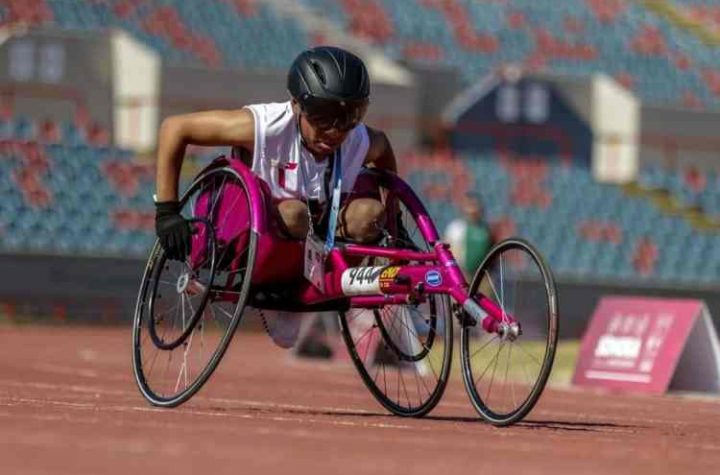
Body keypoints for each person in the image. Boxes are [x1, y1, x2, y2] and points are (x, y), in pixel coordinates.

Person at [153, 46, 398, 348]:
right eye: (322, 117)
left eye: (349, 117)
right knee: (295, 213)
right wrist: (167, 211)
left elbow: (384, 150)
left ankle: (320, 283)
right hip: (255, 229)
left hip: (320, 226)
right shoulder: (264, 126)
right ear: (296, 105)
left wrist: (394, 219)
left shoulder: (358, 139)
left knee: (370, 215)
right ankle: (280, 295)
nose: (334, 131)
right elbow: (174, 128)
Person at [443, 194, 493, 278]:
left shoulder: (486, 229)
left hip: (482, 274)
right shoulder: (455, 228)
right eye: (469, 205)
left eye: (474, 205)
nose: (472, 210)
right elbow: (447, 251)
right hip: (461, 273)